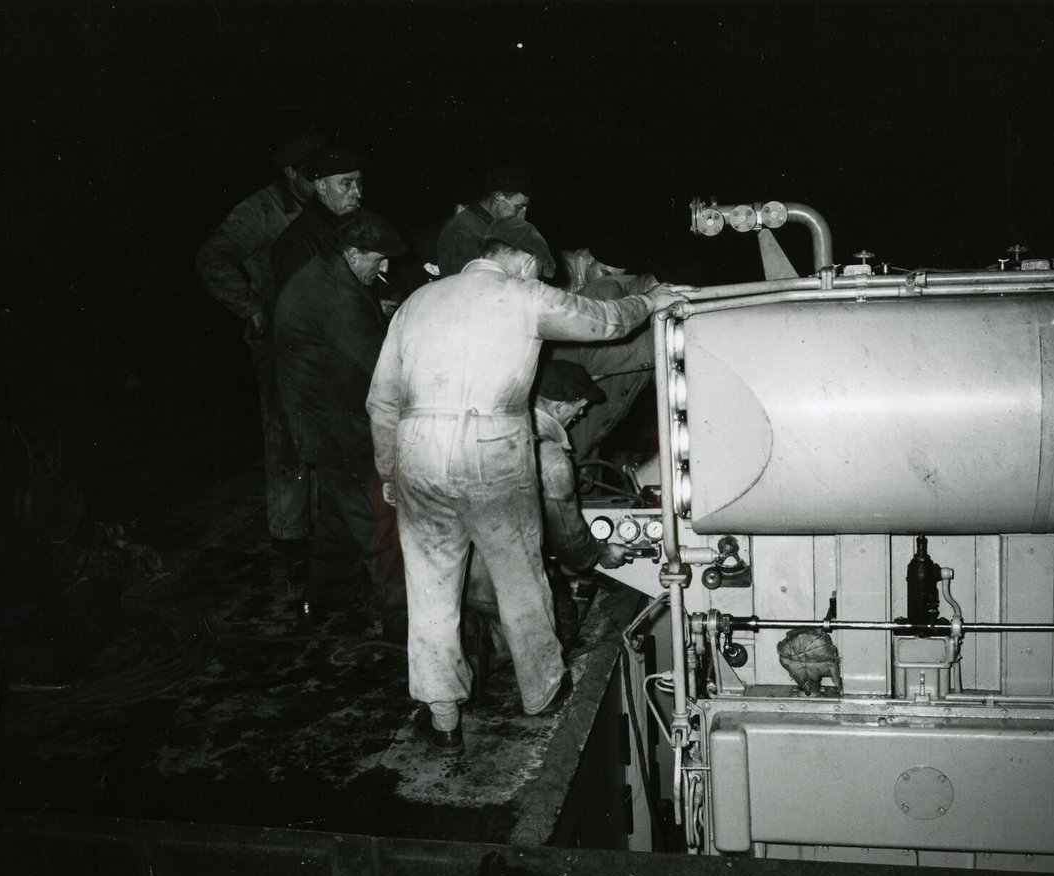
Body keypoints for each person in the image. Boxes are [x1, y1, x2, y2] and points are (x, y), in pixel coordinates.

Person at [366, 216, 689, 755]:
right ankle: (543, 691)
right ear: (522, 261)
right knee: (519, 573)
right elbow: (606, 321)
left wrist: (388, 471)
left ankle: (443, 717)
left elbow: (381, 401)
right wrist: (652, 302)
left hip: (418, 450)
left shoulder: (416, 303)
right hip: (495, 447)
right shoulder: (522, 295)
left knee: (430, 587)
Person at [274, 210, 407, 630]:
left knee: (337, 519)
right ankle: (405, 622)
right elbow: (382, 367)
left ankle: (322, 601)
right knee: (379, 523)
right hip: (335, 427)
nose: (386, 268)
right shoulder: (338, 299)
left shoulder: (330, 272)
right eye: (378, 259)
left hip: (319, 420)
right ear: (352, 253)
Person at [194, 131, 325, 543]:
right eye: (312, 176)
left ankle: (321, 526)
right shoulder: (258, 211)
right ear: (290, 174)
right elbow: (212, 258)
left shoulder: (322, 205)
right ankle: (289, 534)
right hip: (277, 340)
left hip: (320, 337)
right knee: (286, 437)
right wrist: (250, 307)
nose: (321, 183)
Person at [464, 360, 634, 665]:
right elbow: (568, 538)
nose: (581, 414)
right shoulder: (550, 455)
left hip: (464, 571)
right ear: (557, 407)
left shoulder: (494, 430)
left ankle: (482, 644)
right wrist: (598, 554)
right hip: (510, 580)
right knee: (562, 627)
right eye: (578, 407)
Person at [550, 233, 660, 462]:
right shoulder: (560, 277)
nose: (607, 281)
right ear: (588, 259)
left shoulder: (607, 286)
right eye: (605, 273)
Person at [271, 144, 366, 290]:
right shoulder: (297, 244)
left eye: (359, 183)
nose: (358, 193)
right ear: (321, 186)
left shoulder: (358, 223)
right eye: (347, 184)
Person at [434, 167, 535, 277]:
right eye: (519, 207)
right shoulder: (462, 230)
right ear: (498, 198)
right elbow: (469, 286)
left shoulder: (493, 228)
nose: (522, 216)